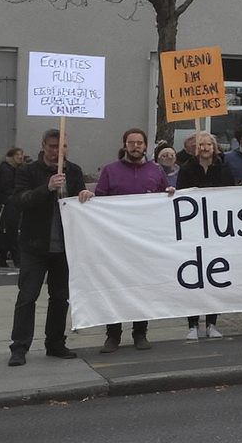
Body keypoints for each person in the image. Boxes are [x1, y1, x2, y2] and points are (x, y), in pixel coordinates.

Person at [84, 127, 169, 353]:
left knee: (141, 287)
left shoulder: (156, 170)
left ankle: (140, 333)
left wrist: (170, 193)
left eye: (139, 142)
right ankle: (113, 335)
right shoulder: (111, 170)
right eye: (131, 142)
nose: (135, 146)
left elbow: (165, 199)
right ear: (125, 145)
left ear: (145, 146)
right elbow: (100, 200)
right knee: (114, 287)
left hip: (144, 240)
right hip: (116, 241)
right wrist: (89, 198)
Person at [7, 129, 85, 366]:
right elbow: (20, 201)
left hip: (63, 246)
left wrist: (84, 195)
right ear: (42, 146)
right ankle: (19, 347)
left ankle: (55, 342)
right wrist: (47, 188)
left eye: (61, 146)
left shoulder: (73, 171)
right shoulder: (28, 171)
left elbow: (79, 204)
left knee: (60, 297)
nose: (56, 151)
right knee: (28, 297)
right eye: (51, 146)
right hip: (34, 245)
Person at [175, 131, 235, 339]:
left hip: (217, 228)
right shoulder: (187, 169)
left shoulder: (223, 168)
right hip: (193, 227)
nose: (205, 148)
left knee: (214, 275)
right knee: (193, 275)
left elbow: (231, 193)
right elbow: (181, 193)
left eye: (209, 144)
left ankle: (211, 323)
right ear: (196, 148)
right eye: (202, 145)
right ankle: (193, 324)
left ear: (214, 147)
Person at [0, 147, 25, 268]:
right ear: (11, 157)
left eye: (21, 155)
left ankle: (3, 257)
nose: (20, 157)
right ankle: (14, 258)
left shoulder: (15, 169)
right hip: (8, 204)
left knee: (7, 232)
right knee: (10, 231)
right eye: (17, 155)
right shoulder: (6, 170)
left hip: (10, 202)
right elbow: (7, 187)